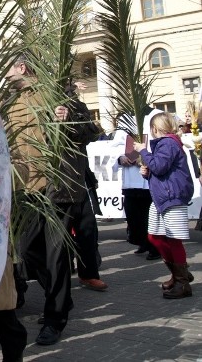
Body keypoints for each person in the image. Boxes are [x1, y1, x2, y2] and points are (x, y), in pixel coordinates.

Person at [11, 59, 103, 347]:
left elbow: (92, 130)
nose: (4, 73)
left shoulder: (60, 94)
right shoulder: (9, 101)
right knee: (26, 251)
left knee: (55, 255)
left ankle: (56, 317)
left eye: (8, 68)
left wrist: (68, 121)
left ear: (23, 67)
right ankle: (60, 295)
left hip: (57, 189)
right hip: (24, 189)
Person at [136, 113, 195, 299]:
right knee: (154, 237)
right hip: (163, 198)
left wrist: (143, 151)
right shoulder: (167, 144)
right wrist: (147, 173)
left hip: (171, 197)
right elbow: (161, 170)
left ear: (155, 128)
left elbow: (160, 167)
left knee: (173, 239)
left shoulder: (167, 143)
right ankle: (180, 274)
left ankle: (182, 282)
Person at [115, 107, 163, 260]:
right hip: (130, 177)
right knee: (134, 215)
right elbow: (117, 144)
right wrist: (121, 158)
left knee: (148, 215)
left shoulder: (156, 115)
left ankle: (155, 247)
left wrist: (144, 157)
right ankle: (142, 241)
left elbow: (161, 142)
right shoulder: (125, 118)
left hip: (147, 176)